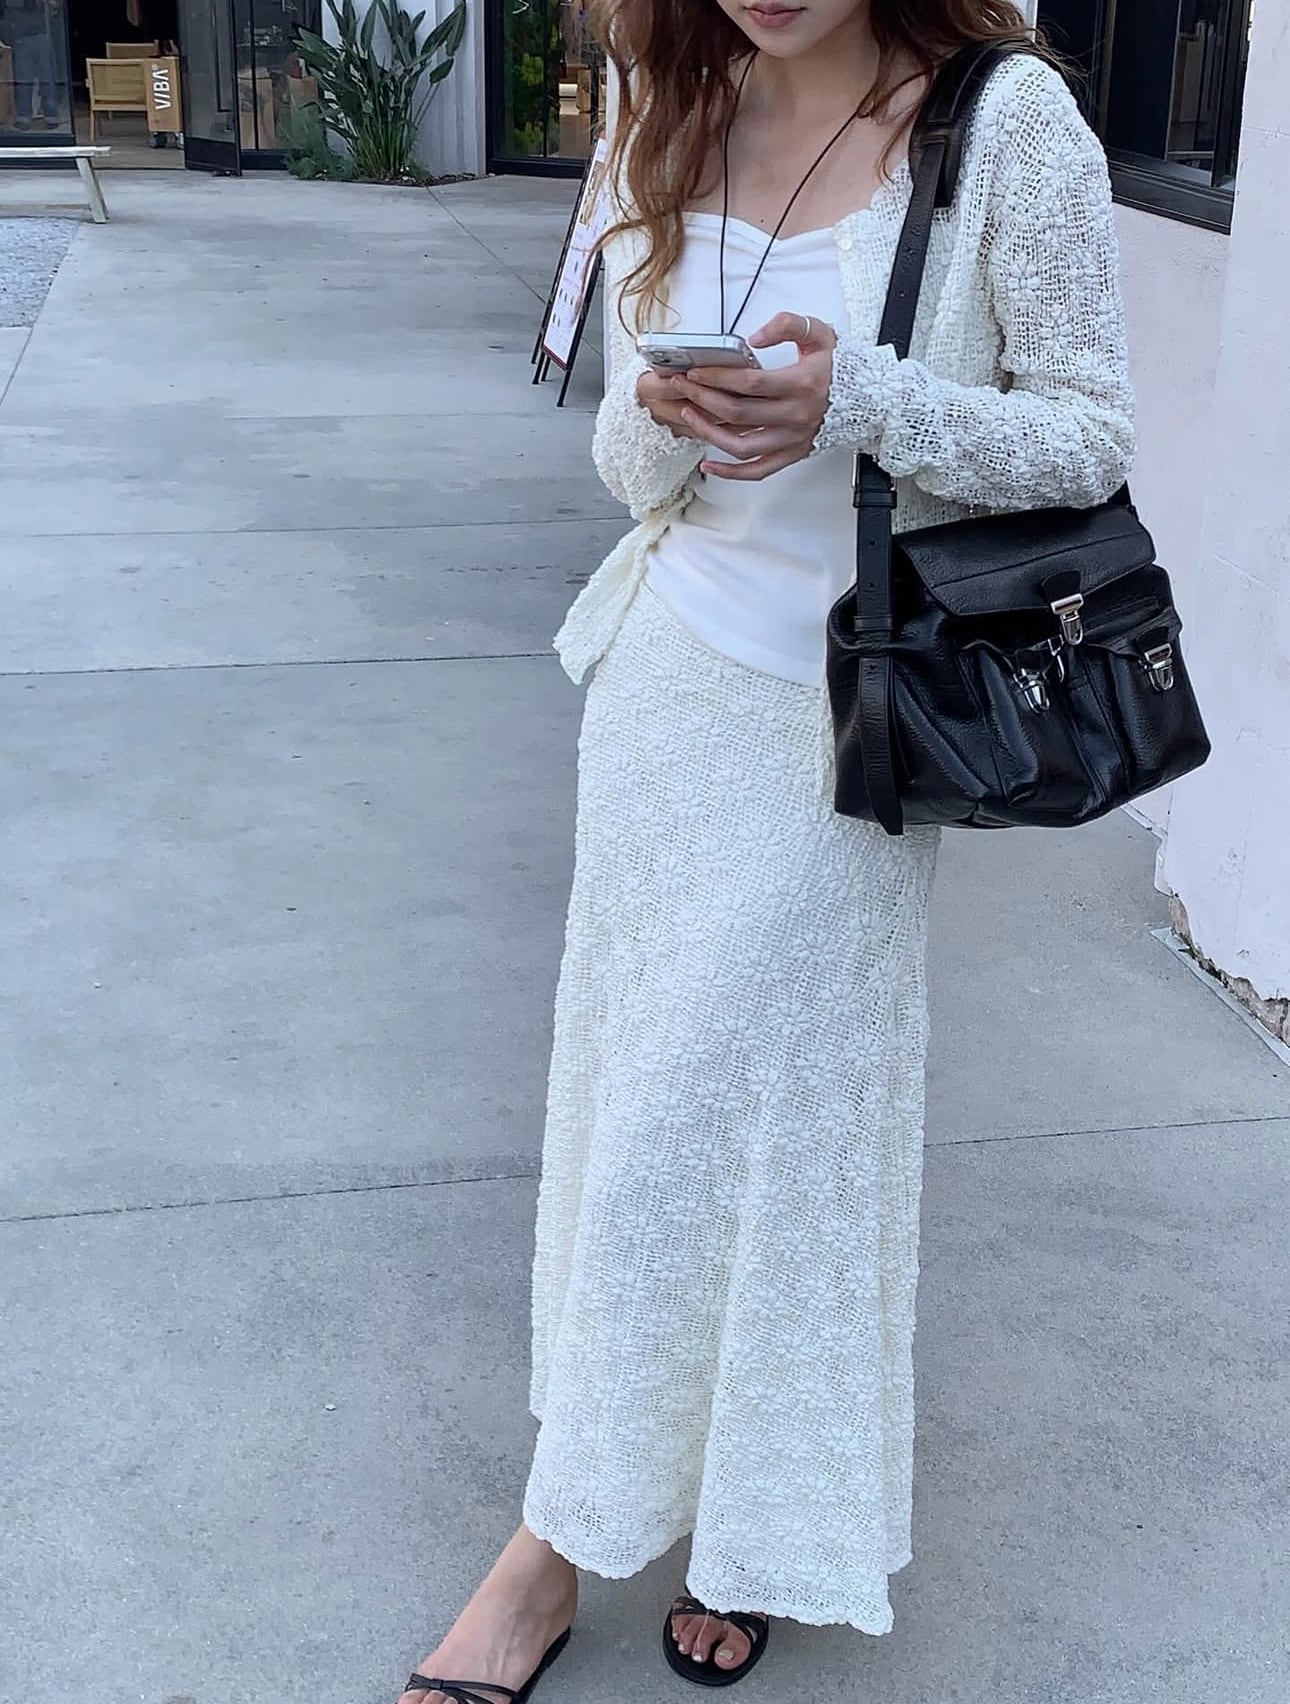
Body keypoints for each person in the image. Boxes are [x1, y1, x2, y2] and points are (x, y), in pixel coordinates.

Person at [396, 0, 1133, 1698]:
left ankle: (705, 1524)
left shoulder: (1004, 120)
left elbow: (1088, 432)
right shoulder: (667, 101)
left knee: (759, 1136)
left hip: (855, 720)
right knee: (635, 1115)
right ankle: (583, 1524)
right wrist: (679, 411)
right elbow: (621, 461)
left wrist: (855, 401)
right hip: (665, 694)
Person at [2, 0, 62, 129]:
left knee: (46, 78)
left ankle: (49, 117)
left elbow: (56, 7)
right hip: (23, 36)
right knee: (25, 80)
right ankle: (25, 117)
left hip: (40, 34)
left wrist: (51, 5)